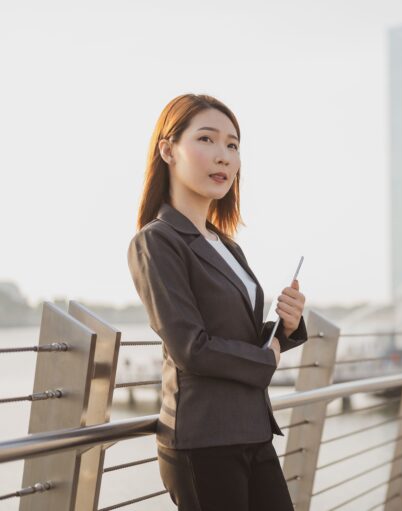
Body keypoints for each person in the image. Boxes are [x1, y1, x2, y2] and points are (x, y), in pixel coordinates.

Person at [127, 94, 308, 510]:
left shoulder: (225, 244)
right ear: (168, 149)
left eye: (232, 145)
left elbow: (236, 334)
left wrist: (286, 327)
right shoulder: (156, 241)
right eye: (207, 140)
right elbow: (191, 347)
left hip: (252, 431)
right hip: (204, 440)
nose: (223, 157)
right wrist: (270, 358)